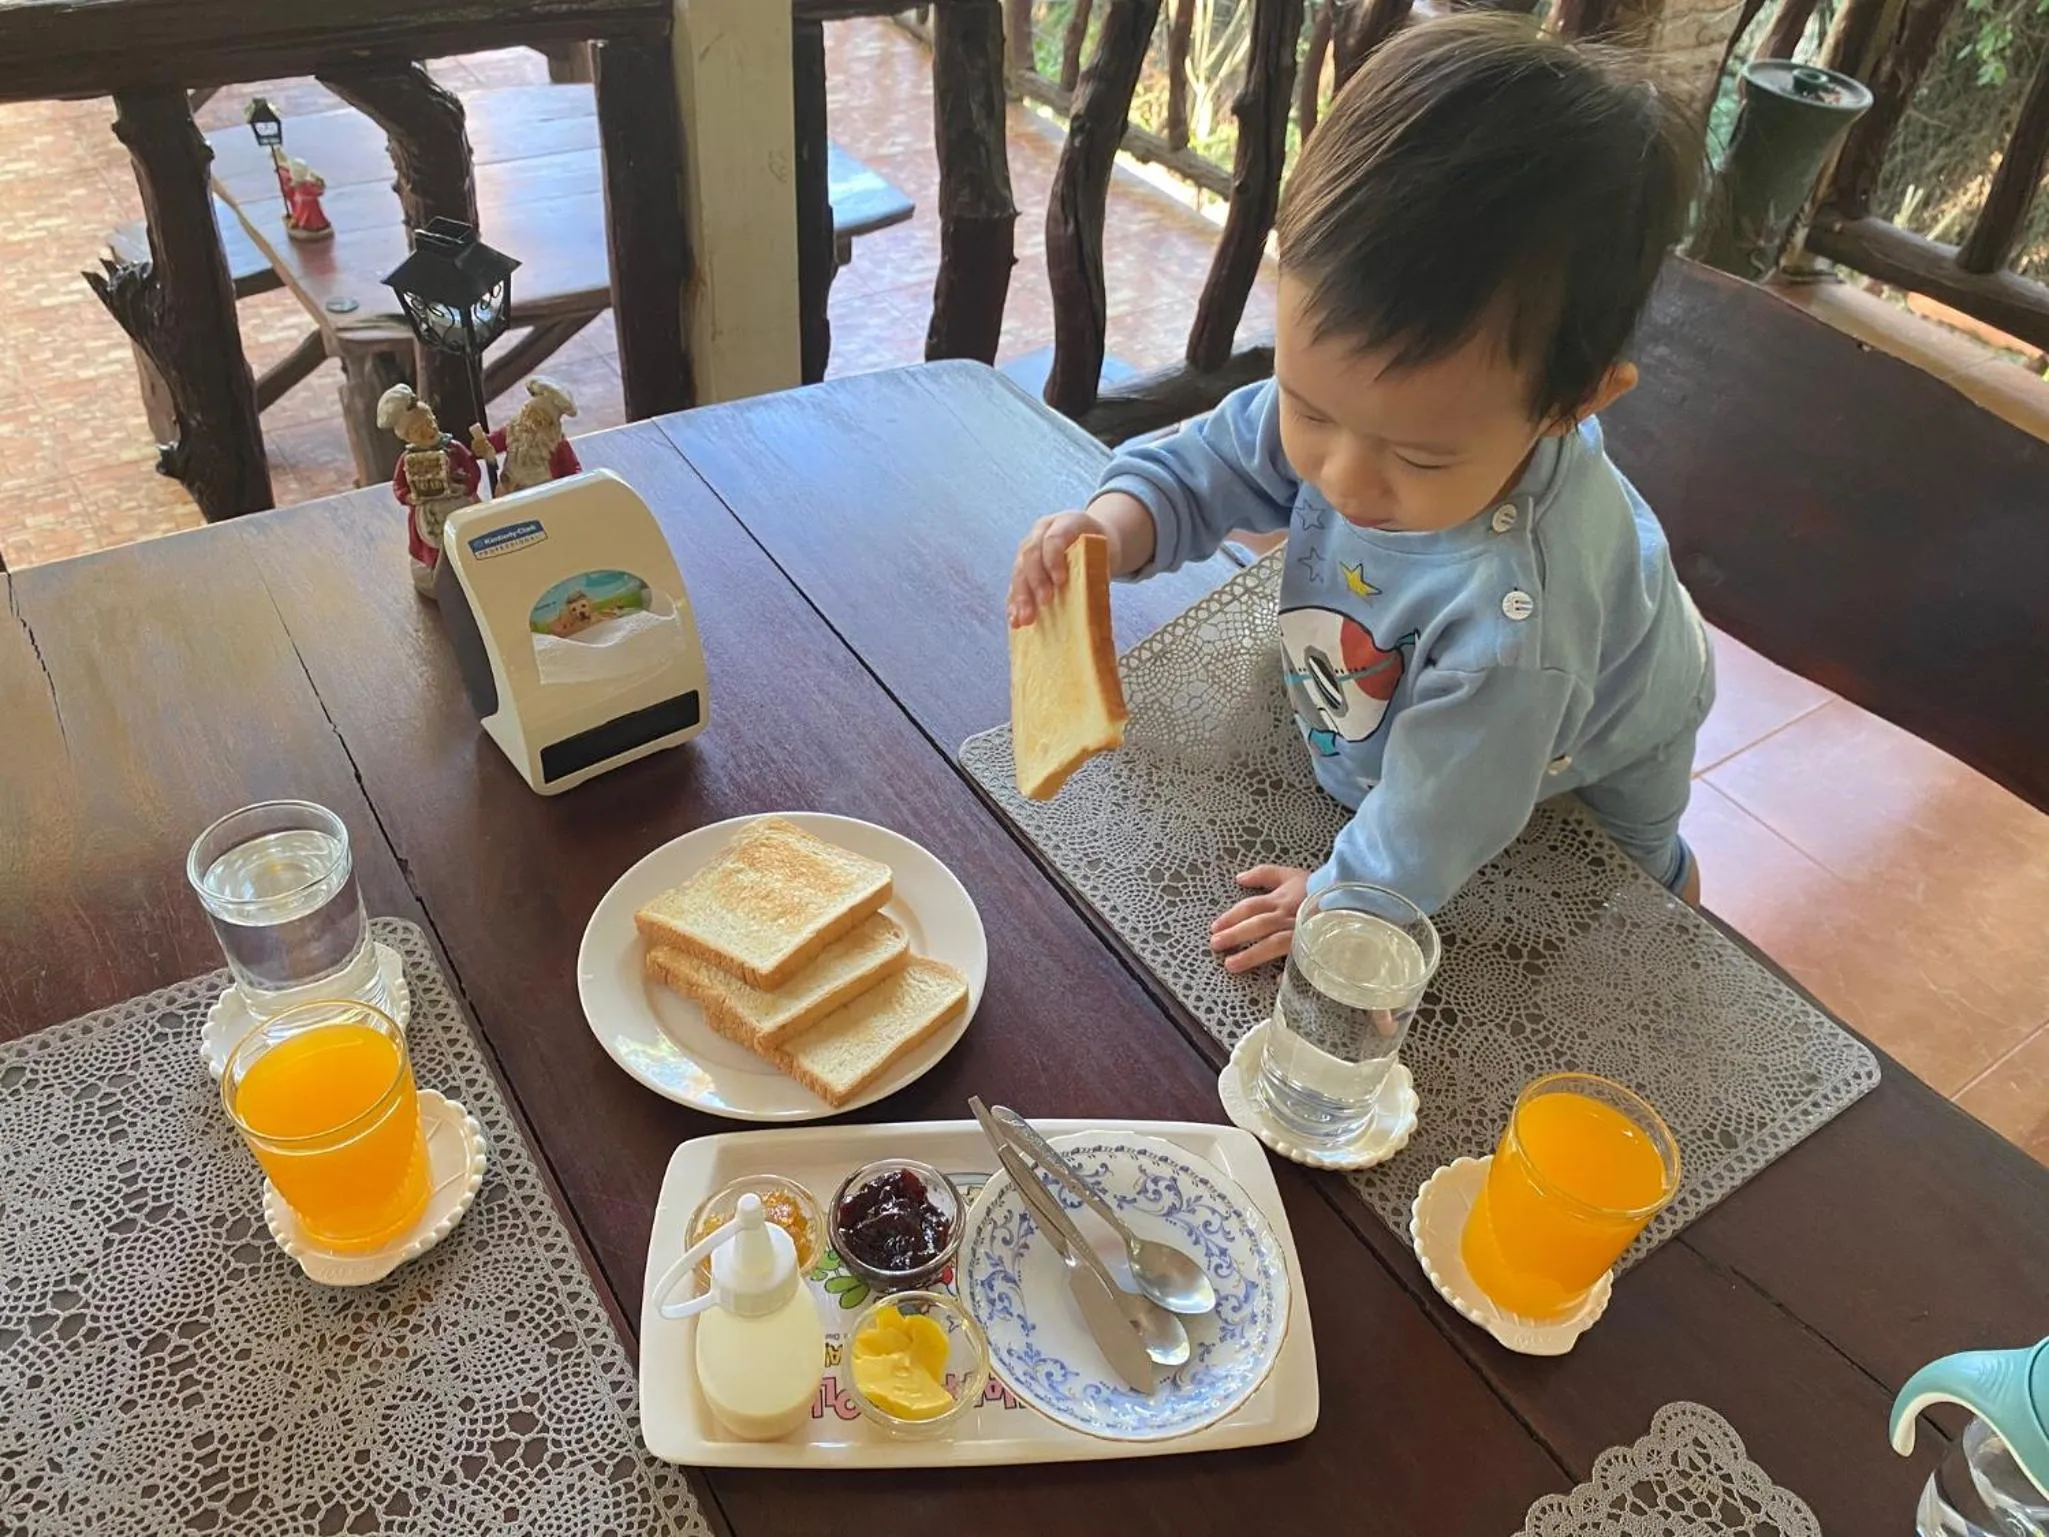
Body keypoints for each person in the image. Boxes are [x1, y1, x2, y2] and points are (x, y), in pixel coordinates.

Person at [1007, 15, 1713, 973]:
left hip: (1624, 710)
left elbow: (1448, 808)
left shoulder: (1519, 627)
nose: (1340, 476)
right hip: (1424, 689)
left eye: (1417, 457)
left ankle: (1676, 888)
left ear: (1569, 404)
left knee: (1622, 889)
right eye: (1308, 408)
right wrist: (1107, 530)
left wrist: (1344, 895)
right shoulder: (1368, 409)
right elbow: (1207, 464)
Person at [378, 383, 482, 598]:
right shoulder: (407, 459)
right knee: (434, 543)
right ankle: (439, 573)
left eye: (430, 421)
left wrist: (465, 485)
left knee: (470, 534)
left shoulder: (453, 448)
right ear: (408, 436)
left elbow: (472, 469)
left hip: (459, 502)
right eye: (419, 430)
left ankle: (473, 564)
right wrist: (409, 496)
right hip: (429, 511)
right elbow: (399, 485)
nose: (430, 430)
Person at [473, 377, 581, 496]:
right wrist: (481, 446)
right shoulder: (513, 430)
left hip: (543, 495)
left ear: (552, 425)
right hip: (508, 491)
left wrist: (573, 490)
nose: (532, 424)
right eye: (529, 414)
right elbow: (491, 444)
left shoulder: (557, 443)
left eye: (541, 421)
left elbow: (573, 471)